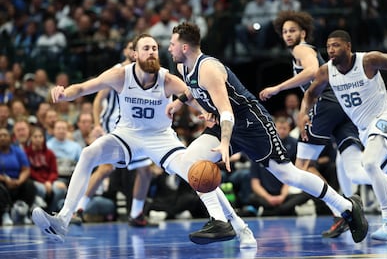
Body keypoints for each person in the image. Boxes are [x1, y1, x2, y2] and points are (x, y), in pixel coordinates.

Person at [31, 34, 256, 248]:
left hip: (160, 138)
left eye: (155, 48)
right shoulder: (120, 75)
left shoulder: (167, 79)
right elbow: (84, 88)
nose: (151, 52)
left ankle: (238, 226)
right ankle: (62, 220)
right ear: (135, 54)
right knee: (89, 153)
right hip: (127, 135)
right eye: (146, 48)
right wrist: (64, 93)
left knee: (198, 174)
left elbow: (193, 96)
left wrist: (207, 112)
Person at [166, 22, 368, 244]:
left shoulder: (209, 69)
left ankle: (346, 206)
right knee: (190, 162)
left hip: (251, 123)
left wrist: (224, 143)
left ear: (185, 47)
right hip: (228, 125)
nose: (169, 48)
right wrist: (179, 102)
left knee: (289, 175)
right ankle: (221, 221)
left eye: (172, 44)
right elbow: (192, 90)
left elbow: (226, 112)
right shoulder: (182, 67)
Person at [258, 11, 387, 239]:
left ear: (303, 33)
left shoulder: (304, 49)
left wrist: (278, 89)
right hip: (349, 114)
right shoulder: (326, 65)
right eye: (285, 31)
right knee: (355, 170)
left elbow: (309, 72)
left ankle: (346, 211)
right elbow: (310, 87)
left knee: (302, 166)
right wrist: (303, 109)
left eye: (292, 30)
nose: (288, 35)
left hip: (333, 107)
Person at [299, 29, 387, 241]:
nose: (331, 50)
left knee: (369, 163)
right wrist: (303, 114)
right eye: (329, 46)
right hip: (365, 130)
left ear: (348, 47)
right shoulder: (327, 72)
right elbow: (310, 94)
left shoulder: (369, 61)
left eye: (336, 45)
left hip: (386, 118)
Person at [72, 39, 156, 227]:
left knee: (145, 171)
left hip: (133, 127)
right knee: (106, 168)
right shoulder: (117, 72)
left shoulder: (148, 74)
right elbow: (97, 100)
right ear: (129, 52)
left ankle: (136, 214)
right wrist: (96, 124)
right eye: (129, 47)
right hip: (112, 124)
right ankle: (77, 209)